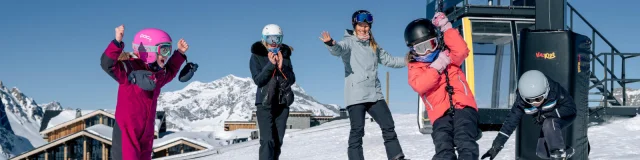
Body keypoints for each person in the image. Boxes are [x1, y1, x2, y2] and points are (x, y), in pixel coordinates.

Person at [320, 10, 409, 160]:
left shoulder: (373, 45)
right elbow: (338, 50)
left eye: (366, 26)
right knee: (357, 131)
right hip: (356, 96)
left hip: (375, 93)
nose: (363, 28)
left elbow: (389, 60)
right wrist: (331, 43)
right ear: (355, 25)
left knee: (388, 126)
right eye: (361, 25)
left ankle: (397, 157)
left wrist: (408, 61)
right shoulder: (348, 41)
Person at [100, 25, 188, 160]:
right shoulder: (128, 69)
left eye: (169, 50)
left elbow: (170, 71)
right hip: (128, 134)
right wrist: (117, 42)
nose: (167, 55)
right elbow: (107, 65)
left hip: (146, 134)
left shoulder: (158, 75)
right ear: (149, 50)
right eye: (164, 50)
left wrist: (179, 53)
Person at [406, 12, 480, 160]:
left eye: (431, 45)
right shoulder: (415, 68)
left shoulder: (447, 56)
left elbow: (462, 51)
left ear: (437, 41)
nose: (427, 51)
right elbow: (420, 85)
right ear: (413, 50)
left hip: (463, 107)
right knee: (443, 145)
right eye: (422, 48)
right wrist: (436, 68)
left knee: (464, 139)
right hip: (440, 115)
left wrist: (446, 28)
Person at [481, 70, 577, 160]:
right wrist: (496, 146)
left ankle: (558, 155)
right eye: (529, 100)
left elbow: (571, 109)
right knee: (542, 152)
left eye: (539, 98)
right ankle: (566, 151)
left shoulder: (555, 90)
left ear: (546, 92)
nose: (535, 103)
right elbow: (509, 124)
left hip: (564, 116)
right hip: (547, 123)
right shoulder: (521, 102)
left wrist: (547, 115)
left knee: (549, 122)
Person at [249, 24, 296, 160]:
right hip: (264, 104)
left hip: (282, 103)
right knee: (267, 140)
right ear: (264, 39)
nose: (274, 43)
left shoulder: (285, 56)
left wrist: (282, 67)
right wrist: (271, 65)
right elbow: (259, 80)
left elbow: (292, 79)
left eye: (278, 39)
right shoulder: (256, 56)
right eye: (271, 39)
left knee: (277, 141)